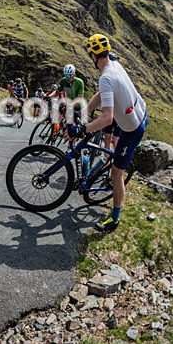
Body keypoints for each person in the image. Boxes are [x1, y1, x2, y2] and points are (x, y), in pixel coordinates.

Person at [67, 34, 148, 233]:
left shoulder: (106, 77)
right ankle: (111, 162)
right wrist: (84, 111)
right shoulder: (114, 64)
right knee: (111, 156)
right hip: (140, 112)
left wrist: (81, 129)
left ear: (94, 55)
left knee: (116, 173)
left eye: (90, 55)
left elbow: (107, 119)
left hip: (133, 128)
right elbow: (103, 95)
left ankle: (114, 218)